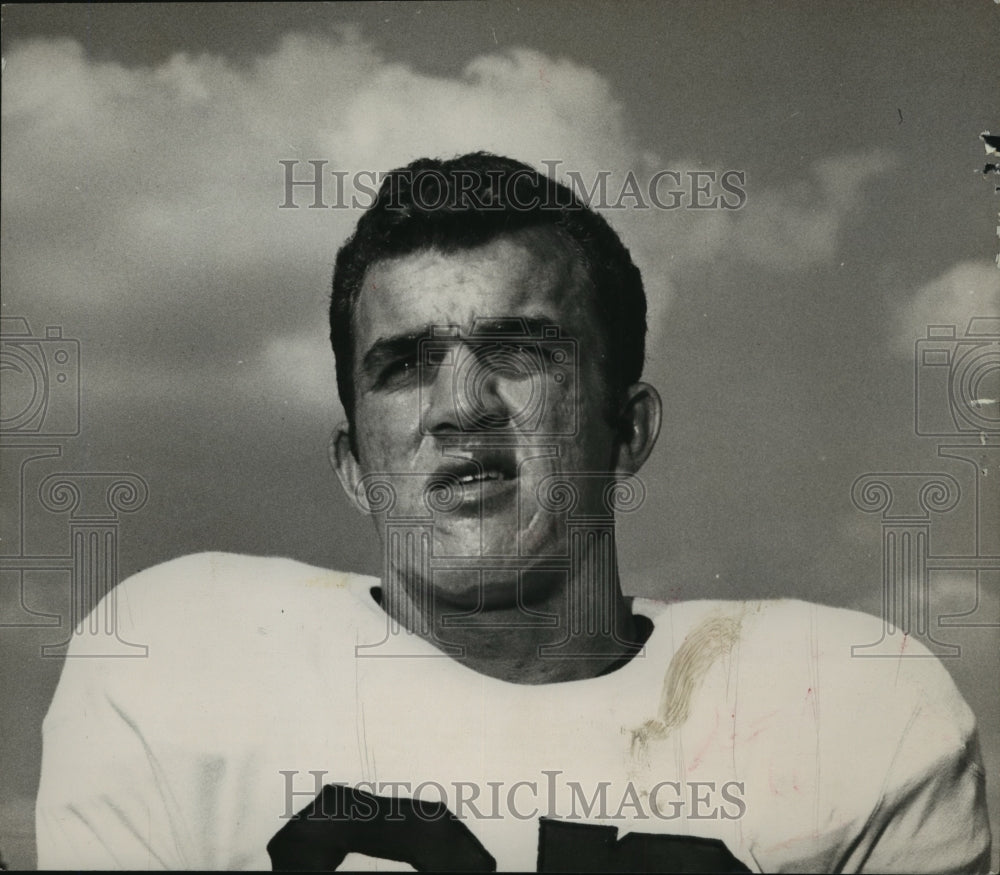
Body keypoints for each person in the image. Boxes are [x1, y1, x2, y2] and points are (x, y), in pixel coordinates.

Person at [36, 153, 991, 872]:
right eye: (405, 364)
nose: (461, 405)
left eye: (520, 348)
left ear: (628, 428)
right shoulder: (173, 666)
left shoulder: (855, 714)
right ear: (354, 465)